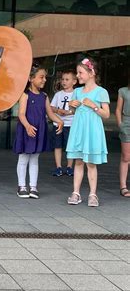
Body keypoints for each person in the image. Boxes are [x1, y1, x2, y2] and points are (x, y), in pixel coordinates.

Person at [14, 65, 64, 199]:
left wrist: (59, 121)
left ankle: (33, 186)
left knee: (35, 158)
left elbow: (50, 113)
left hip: (39, 130)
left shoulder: (44, 96)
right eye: (41, 77)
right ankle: (22, 186)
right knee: (24, 157)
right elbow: (21, 114)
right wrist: (27, 126)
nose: (44, 80)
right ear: (31, 78)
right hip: (27, 130)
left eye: (45, 77)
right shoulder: (25, 95)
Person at [67, 57, 110, 207]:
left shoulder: (101, 91)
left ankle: (93, 194)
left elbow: (106, 114)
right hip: (79, 130)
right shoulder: (77, 91)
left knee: (91, 163)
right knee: (78, 161)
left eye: (80, 72)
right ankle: (76, 192)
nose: (77, 76)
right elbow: (72, 111)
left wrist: (94, 106)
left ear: (91, 73)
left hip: (92, 131)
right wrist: (71, 106)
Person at [50, 70, 77, 176]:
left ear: (74, 81)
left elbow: (78, 108)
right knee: (57, 146)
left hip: (71, 124)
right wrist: (58, 111)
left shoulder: (76, 94)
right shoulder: (58, 94)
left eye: (67, 79)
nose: (64, 82)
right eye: (62, 79)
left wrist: (69, 112)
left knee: (70, 147)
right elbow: (51, 107)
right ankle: (59, 167)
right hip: (58, 124)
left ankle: (70, 167)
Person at [116, 76, 130, 198]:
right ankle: (123, 186)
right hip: (127, 124)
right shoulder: (123, 91)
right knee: (126, 157)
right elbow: (118, 109)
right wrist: (120, 124)